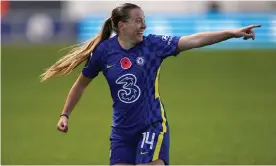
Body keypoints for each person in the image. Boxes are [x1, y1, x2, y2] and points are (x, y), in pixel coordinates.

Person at [40, 3, 261, 165]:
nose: (143, 25)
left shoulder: (153, 45)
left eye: (143, 20)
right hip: (122, 131)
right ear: (121, 25)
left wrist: (230, 33)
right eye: (138, 21)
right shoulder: (104, 52)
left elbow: (194, 39)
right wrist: (65, 114)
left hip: (152, 125)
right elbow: (81, 84)